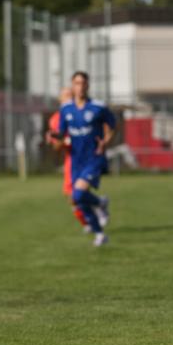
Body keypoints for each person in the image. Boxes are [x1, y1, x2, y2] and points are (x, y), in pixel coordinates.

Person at [47, 72, 115, 246]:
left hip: (94, 158)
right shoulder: (66, 110)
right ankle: (99, 233)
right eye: (77, 83)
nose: (80, 87)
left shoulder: (98, 107)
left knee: (78, 193)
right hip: (76, 160)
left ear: (88, 85)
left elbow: (113, 127)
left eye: (83, 83)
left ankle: (99, 204)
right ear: (73, 85)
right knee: (78, 200)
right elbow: (62, 134)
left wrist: (105, 142)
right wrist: (53, 135)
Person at [46, 87, 90, 232]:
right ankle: (89, 220)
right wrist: (57, 140)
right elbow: (57, 146)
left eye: (71, 96)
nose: (69, 99)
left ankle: (92, 217)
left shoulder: (82, 113)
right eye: (65, 96)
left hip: (86, 157)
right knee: (73, 197)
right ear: (60, 100)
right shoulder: (55, 119)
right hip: (71, 159)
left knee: (78, 194)